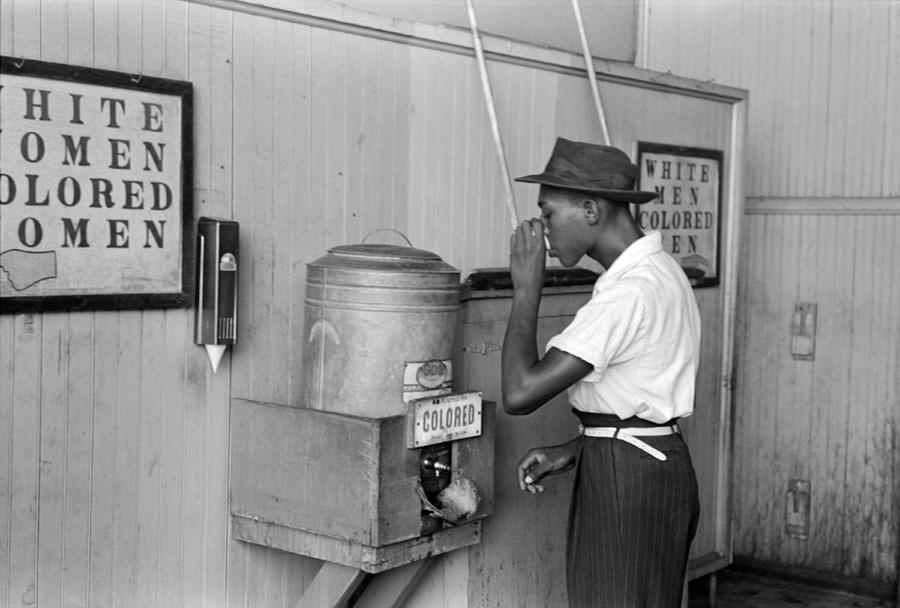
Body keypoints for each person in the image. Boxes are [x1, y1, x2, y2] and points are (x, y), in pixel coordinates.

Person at [501, 137, 701, 607]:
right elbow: (642, 397)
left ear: (591, 209)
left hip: (627, 480)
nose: (543, 229)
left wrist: (527, 288)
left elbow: (520, 391)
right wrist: (578, 449)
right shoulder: (660, 272)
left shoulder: (629, 292)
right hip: (651, 463)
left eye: (548, 213)